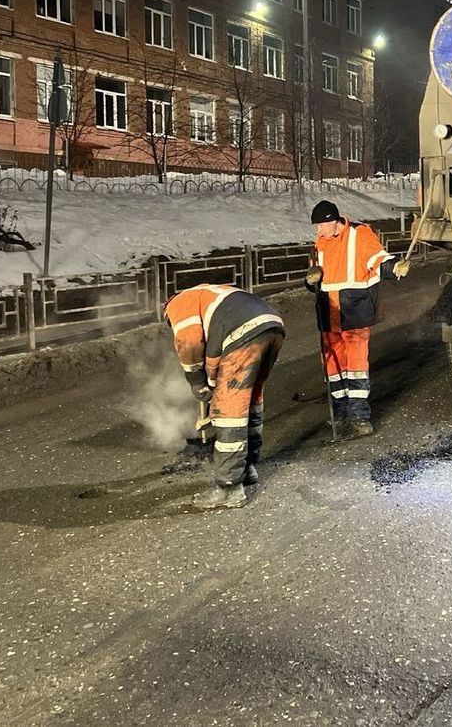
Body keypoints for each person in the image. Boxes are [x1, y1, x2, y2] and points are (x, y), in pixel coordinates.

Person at [163, 284, 285, 510]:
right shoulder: (211, 294)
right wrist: (211, 383)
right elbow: (215, 348)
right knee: (250, 400)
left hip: (244, 332)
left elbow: (189, 343)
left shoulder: (179, 304)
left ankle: (229, 488)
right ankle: (247, 468)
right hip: (271, 325)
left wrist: (197, 383)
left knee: (230, 412)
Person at [305, 200, 410, 438]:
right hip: (328, 313)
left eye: (321, 224)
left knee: (356, 367)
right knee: (334, 367)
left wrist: (395, 268)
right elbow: (317, 279)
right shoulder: (320, 242)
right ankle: (339, 414)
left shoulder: (359, 234)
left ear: (333, 221)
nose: (318, 229)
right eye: (317, 226)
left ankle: (359, 416)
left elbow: (378, 260)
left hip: (355, 311)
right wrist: (310, 281)